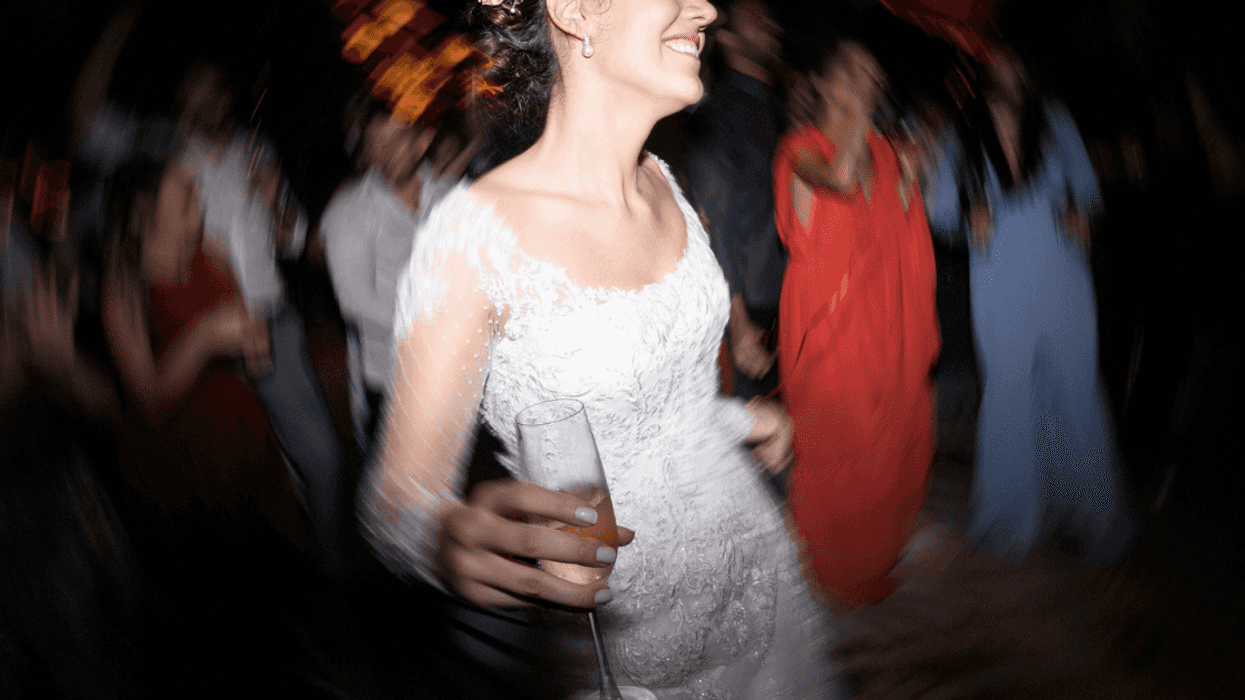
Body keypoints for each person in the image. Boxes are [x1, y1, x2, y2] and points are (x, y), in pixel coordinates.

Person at [359, 0, 837, 696]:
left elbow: (663, 405)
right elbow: (393, 502)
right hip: (632, 644)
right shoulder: (475, 238)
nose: (704, 8)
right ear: (577, 10)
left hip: (757, 578)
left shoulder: (665, 188)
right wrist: (444, 536)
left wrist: (740, 420)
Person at [925, 49, 1135, 563]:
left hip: (1062, 272)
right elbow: (940, 208)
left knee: (1076, 389)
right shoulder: (962, 132)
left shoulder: (1054, 119)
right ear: (983, 72)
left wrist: (1082, 211)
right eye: (996, 63)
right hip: (999, 277)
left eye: (1015, 61)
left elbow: (1086, 187)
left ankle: (1086, 511)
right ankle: (1009, 518)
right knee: (1008, 394)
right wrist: (965, 219)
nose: (1008, 69)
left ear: (1026, 69)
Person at [772, 38, 941, 609]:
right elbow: (838, 180)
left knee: (897, 444)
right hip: (828, 336)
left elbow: (906, 234)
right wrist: (863, 122)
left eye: (873, 72)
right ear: (825, 82)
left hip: (884, 326)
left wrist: (912, 176)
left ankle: (876, 561)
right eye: (852, 71)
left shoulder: (888, 151)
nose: (866, 80)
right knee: (839, 459)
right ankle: (826, 571)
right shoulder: (800, 148)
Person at [173, 61, 349, 574]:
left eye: (214, 89)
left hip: (275, 325)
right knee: (243, 480)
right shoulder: (172, 163)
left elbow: (293, 241)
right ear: (182, 97)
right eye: (195, 91)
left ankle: (333, 579)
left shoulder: (257, 150)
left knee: (325, 460)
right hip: (205, 340)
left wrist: (277, 209)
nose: (208, 100)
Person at [320, 98, 457, 449]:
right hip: (396, 380)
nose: (384, 156)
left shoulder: (452, 199)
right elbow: (356, 301)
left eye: (395, 141)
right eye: (375, 145)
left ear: (422, 140)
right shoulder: (347, 213)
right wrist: (432, 324)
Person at [686, 0, 787, 405]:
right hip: (751, 305)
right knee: (750, 438)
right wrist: (740, 323)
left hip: (792, 298)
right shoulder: (720, 113)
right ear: (727, 37)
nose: (769, 25)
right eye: (755, 19)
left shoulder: (779, 105)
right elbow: (716, 219)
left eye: (768, 16)